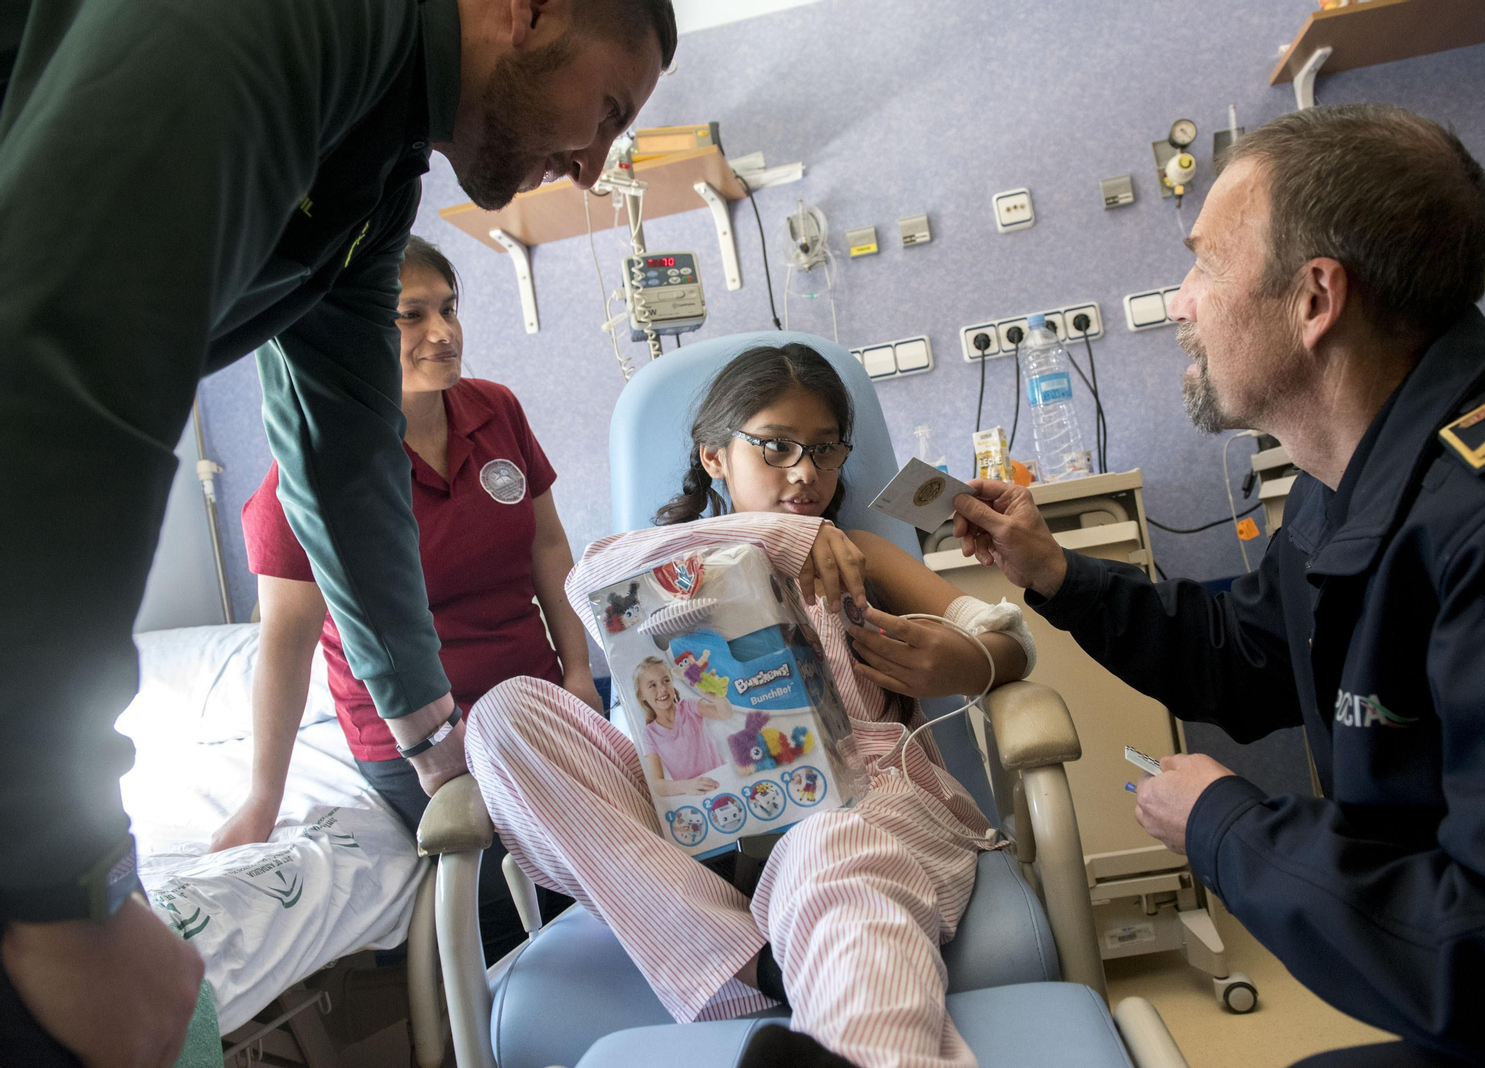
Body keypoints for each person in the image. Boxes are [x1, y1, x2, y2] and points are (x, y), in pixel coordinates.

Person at [0, 0, 674, 1063]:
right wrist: (70, 890)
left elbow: (344, 464)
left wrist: (432, 741)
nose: (595, 166)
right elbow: (49, 380)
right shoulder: (270, 29)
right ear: (525, 10)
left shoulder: (371, 169)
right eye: (605, 110)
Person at [951, 104, 1485, 1068]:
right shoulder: (1357, 481)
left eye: (1204, 263)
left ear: (1313, 300)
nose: (1180, 302)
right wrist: (1053, 575)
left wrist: (1228, 830)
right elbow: (1245, 652)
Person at [463, 344, 1038, 1068]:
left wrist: (969, 660)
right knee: (503, 717)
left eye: (825, 451)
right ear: (713, 459)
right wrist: (780, 536)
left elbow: (1005, 640)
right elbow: (589, 584)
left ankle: (850, 1040)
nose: (805, 472)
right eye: (775, 447)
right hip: (694, 829)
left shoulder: (859, 553)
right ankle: (753, 963)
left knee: (831, 854)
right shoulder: (665, 558)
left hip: (851, 805)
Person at [208, 236, 595, 961]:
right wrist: (263, 795)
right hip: (419, 733)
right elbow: (284, 647)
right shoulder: (314, 479)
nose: (442, 333)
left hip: (536, 695)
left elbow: (549, 548)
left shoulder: (495, 411)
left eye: (448, 309)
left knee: (633, 828)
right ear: (354, 331)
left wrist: (577, 671)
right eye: (409, 317)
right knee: (519, 890)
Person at [633, 656, 736, 795]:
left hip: (722, 781)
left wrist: (717, 698)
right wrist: (687, 786)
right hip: (693, 797)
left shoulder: (689, 706)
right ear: (641, 696)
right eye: (652, 685)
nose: (662, 688)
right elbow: (658, 785)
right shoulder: (649, 734)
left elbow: (726, 714)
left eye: (666, 681)